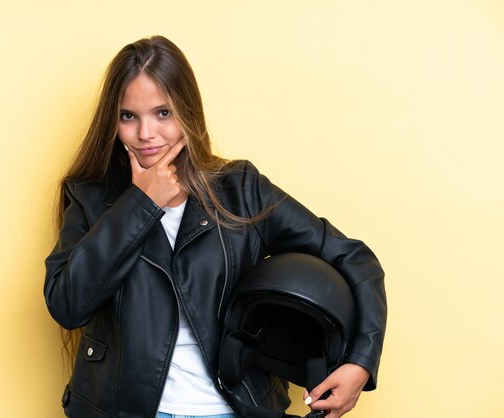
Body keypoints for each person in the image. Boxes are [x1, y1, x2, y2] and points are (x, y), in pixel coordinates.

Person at [43, 35, 386, 418]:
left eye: (163, 113)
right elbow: (67, 305)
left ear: (187, 111)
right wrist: (140, 204)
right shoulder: (89, 196)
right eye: (128, 116)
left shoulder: (240, 188)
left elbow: (354, 258)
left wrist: (360, 362)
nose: (145, 134)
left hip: (231, 409)